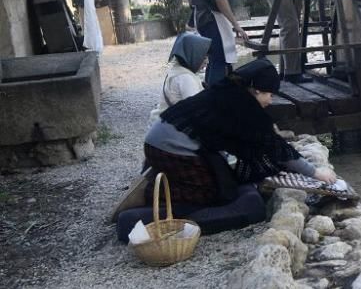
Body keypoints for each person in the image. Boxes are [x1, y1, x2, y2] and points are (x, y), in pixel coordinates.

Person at [143, 59, 336, 206]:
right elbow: (275, 147)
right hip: (167, 149)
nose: (270, 101)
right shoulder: (242, 106)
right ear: (256, 91)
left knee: (224, 176)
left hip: (161, 141)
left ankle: (166, 179)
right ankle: (153, 192)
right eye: (269, 95)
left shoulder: (230, 92)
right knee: (216, 192)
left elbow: (263, 141)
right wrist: (315, 172)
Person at [148, 32, 212, 126]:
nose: (207, 62)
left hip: (162, 125)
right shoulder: (185, 78)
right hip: (170, 130)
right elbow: (196, 110)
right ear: (192, 55)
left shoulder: (178, 71)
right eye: (204, 57)